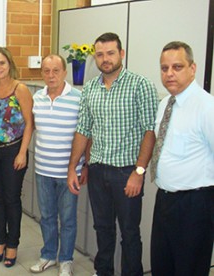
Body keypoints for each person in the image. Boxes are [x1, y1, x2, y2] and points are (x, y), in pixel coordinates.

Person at [67, 32, 158, 276]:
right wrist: (74, 167)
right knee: (103, 228)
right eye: (100, 54)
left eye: (110, 53)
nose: (105, 59)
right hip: (97, 170)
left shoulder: (141, 85)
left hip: (127, 171)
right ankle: (103, 271)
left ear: (122, 54)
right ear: (94, 57)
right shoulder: (90, 89)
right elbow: (83, 130)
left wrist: (139, 172)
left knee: (129, 232)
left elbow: (150, 131)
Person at [150, 41, 214, 276]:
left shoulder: (207, 107)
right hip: (165, 200)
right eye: (164, 68)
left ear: (193, 68)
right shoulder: (166, 103)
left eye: (177, 67)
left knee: (189, 270)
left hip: (195, 206)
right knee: (162, 266)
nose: (169, 74)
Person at [29, 54, 85, 276]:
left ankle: (66, 260)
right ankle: (49, 255)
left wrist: (85, 166)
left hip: (69, 173)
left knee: (68, 219)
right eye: (46, 71)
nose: (50, 75)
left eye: (55, 70)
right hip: (43, 170)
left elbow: (85, 134)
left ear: (64, 72)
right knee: (47, 217)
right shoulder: (37, 98)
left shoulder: (78, 98)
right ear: (41, 73)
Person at [0, 46, 33, 268]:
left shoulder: (19, 89)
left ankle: (12, 244)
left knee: (11, 198)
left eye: (2, 63)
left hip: (14, 150)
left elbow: (30, 123)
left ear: (9, 64)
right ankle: (0, 241)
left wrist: (22, 152)